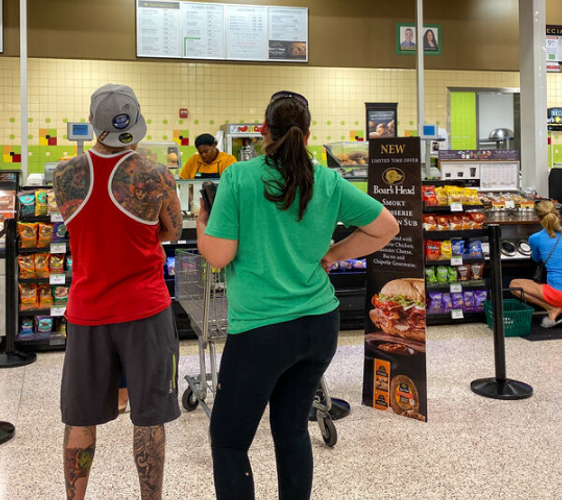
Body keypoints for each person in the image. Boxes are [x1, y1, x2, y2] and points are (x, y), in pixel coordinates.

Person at [198, 91, 399, 500]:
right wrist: (334, 254)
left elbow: (220, 255)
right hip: (319, 325)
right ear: (307, 135)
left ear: (263, 131)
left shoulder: (240, 176)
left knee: (230, 440)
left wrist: (204, 222)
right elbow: (386, 227)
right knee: (290, 428)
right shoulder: (326, 179)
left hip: (260, 331)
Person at [51, 83, 183, 500]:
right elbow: (171, 231)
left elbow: (83, 228)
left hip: (87, 310)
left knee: (80, 419)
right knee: (148, 418)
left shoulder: (64, 175)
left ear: (92, 125)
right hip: (145, 309)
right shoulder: (155, 174)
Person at [510, 200, 562, 327]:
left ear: (537, 217)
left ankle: (551, 308)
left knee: (514, 284)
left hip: (556, 293)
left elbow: (536, 259)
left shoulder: (535, 238)